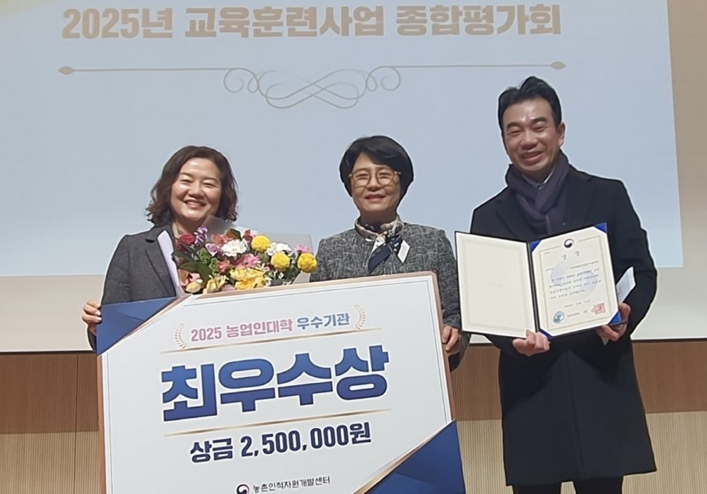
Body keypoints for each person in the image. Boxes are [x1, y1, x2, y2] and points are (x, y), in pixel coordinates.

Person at [469, 76, 657, 493]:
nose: (528, 139)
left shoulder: (606, 194)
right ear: (504, 140)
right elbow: (485, 301)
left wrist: (627, 313)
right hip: (531, 386)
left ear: (560, 131)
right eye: (514, 130)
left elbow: (640, 271)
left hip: (599, 374)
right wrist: (510, 340)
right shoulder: (488, 216)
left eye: (538, 126)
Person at [310, 135, 469, 370]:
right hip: (352, 372)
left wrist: (454, 337)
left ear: (402, 183)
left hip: (420, 370)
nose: (373, 184)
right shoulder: (331, 250)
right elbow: (317, 322)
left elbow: (455, 313)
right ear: (349, 186)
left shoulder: (432, 241)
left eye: (384, 174)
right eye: (362, 176)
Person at [82, 145, 239, 348]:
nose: (196, 191)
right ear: (169, 188)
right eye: (186, 181)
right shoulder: (134, 249)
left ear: (222, 194)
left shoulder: (242, 253)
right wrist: (99, 328)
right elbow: (112, 334)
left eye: (209, 184)